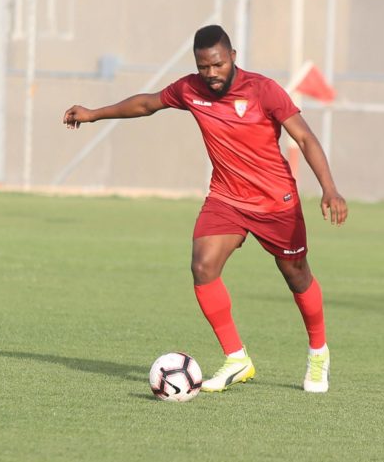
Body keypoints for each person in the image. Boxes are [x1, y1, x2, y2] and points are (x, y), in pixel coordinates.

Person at [63, 25, 348, 393]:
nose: (211, 74)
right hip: (227, 198)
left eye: (217, 64)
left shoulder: (263, 91)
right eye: (203, 67)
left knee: (296, 275)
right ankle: (237, 358)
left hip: (275, 202)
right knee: (203, 266)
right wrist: (93, 113)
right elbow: (147, 104)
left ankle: (318, 352)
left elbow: (305, 137)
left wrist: (329, 188)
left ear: (232, 56)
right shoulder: (190, 89)